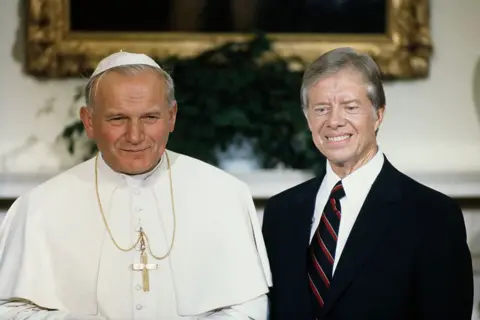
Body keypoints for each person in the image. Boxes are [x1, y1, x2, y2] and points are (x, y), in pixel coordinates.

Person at [0, 51, 271, 319]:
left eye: (150, 118)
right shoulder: (39, 206)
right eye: (118, 119)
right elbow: (10, 311)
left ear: (172, 116)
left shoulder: (224, 195)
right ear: (89, 121)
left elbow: (249, 309)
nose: (135, 135)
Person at [261, 47, 474, 319]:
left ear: (378, 115)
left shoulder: (433, 216)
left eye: (350, 107)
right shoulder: (282, 211)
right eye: (322, 109)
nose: (334, 121)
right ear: (307, 118)